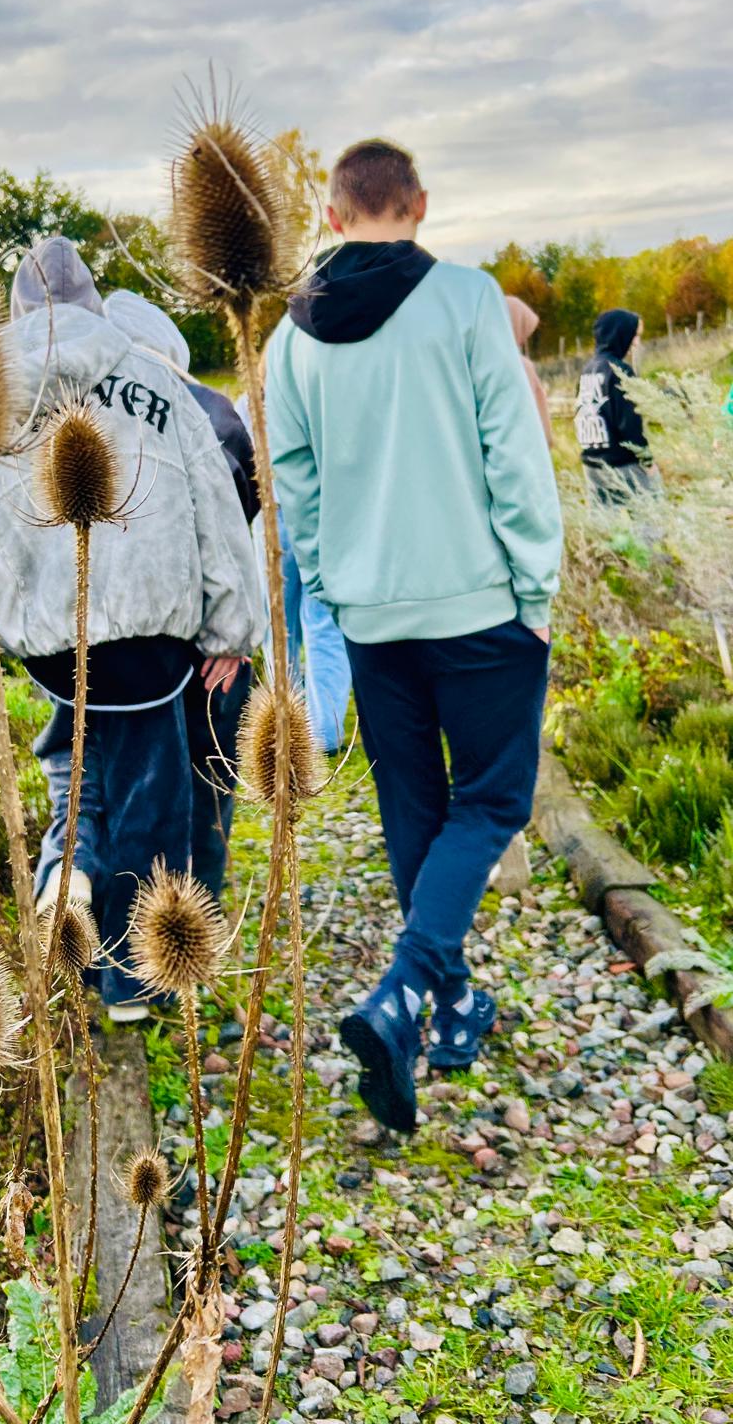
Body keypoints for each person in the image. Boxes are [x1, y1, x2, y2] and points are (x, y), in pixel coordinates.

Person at [265, 138, 563, 1133]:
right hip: (478, 605)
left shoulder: (290, 338)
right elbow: (512, 455)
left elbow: (295, 481)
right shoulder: (467, 302)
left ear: (335, 217)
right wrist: (536, 585)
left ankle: (451, 1001)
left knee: (413, 807)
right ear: (420, 205)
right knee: (491, 798)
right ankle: (401, 996)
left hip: (372, 617)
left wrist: (332, 579)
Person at [0, 238, 263, 1023]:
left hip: (49, 638)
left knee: (77, 760)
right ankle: (134, 981)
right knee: (154, 794)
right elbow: (214, 507)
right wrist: (230, 626)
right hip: (151, 637)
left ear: (18, 313)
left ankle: (66, 882)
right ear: (94, 305)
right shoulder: (153, 380)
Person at [101, 288, 257, 901]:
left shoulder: (94, 412)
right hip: (205, 642)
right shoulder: (212, 414)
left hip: (127, 648)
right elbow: (238, 531)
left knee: (131, 794)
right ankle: (198, 916)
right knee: (209, 785)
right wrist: (232, 634)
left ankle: (143, 926)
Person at [235, 392, 353, 756]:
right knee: (321, 623)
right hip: (321, 509)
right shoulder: (322, 390)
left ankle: (290, 723)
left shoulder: (252, 400)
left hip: (275, 510)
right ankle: (322, 729)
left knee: (279, 624)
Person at [575, 309, 655, 504]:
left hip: (593, 463)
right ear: (619, 334)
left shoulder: (587, 370)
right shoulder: (619, 371)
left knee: (603, 519)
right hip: (623, 463)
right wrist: (646, 460)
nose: (636, 343)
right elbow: (629, 422)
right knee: (650, 511)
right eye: (634, 336)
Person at [505, 295, 553, 446]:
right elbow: (538, 406)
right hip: (524, 447)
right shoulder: (521, 366)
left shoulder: (478, 364)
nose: (524, 339)